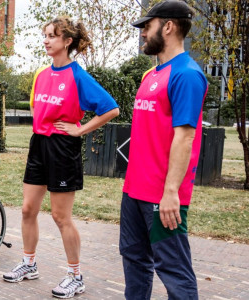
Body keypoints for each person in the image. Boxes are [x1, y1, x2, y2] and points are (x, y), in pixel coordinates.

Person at [1, 17, 120, 299]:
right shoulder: (41, 75)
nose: (46, 40)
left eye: (52, 36)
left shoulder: (79, 76)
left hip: (63, 148)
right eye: (45, 35)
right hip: (39, 144)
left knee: (60, 216)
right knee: (28, 209)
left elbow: (111, 109)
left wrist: (80, 130)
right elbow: (37, 109)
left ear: (67, 42)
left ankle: (75, 276)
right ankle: (29, 264)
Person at [120, 1, 206, 299]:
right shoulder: (151, 75)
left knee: (174, 272)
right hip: (134, 191)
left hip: (162, 195)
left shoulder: (187, 75)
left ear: (167, 26)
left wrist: (171, 192)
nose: (143, 33)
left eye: (147, 26)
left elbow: (185, 138)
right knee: (134, 262)